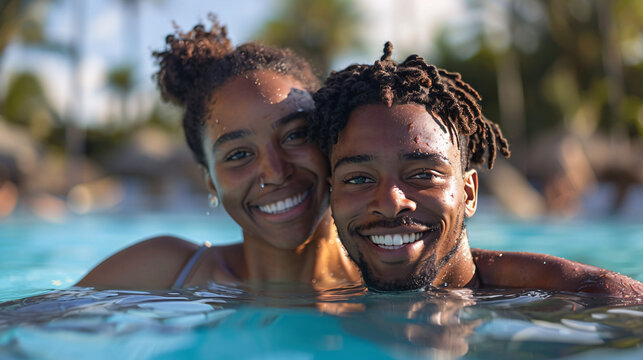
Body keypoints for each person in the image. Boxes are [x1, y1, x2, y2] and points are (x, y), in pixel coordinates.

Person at [309, 42, 643, 297]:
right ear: (332, 194)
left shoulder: (591, 299)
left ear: (469, 193)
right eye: (359, 178)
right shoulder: (317, 312)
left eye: (423, 174)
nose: (390, 201)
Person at [77, 16, 360, 290]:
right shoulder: (166, 273)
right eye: (238, 155)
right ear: (210, 180)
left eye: (295, 135)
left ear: (328, 138)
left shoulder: (389, 277)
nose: (275, 172)